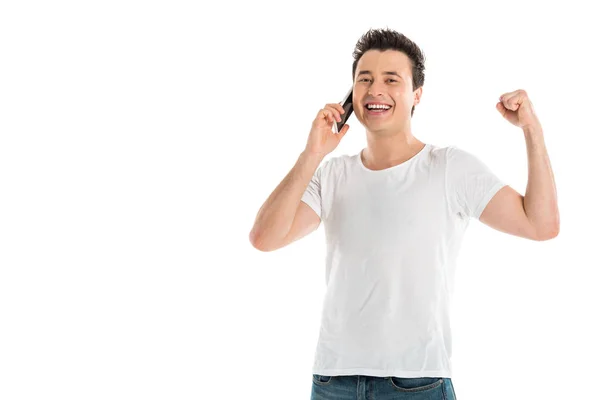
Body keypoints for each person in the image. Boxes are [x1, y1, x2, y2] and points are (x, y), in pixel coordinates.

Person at [249, 28, 559, 399]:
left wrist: (532, 130)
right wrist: (312, 154)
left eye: (390, 80)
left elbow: (540, 224)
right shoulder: (331, 175)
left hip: (417, 383)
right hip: (333, 382)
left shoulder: (449, 168)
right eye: (364, 80)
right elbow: (264, 238)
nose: (375, 90)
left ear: (416, 96)